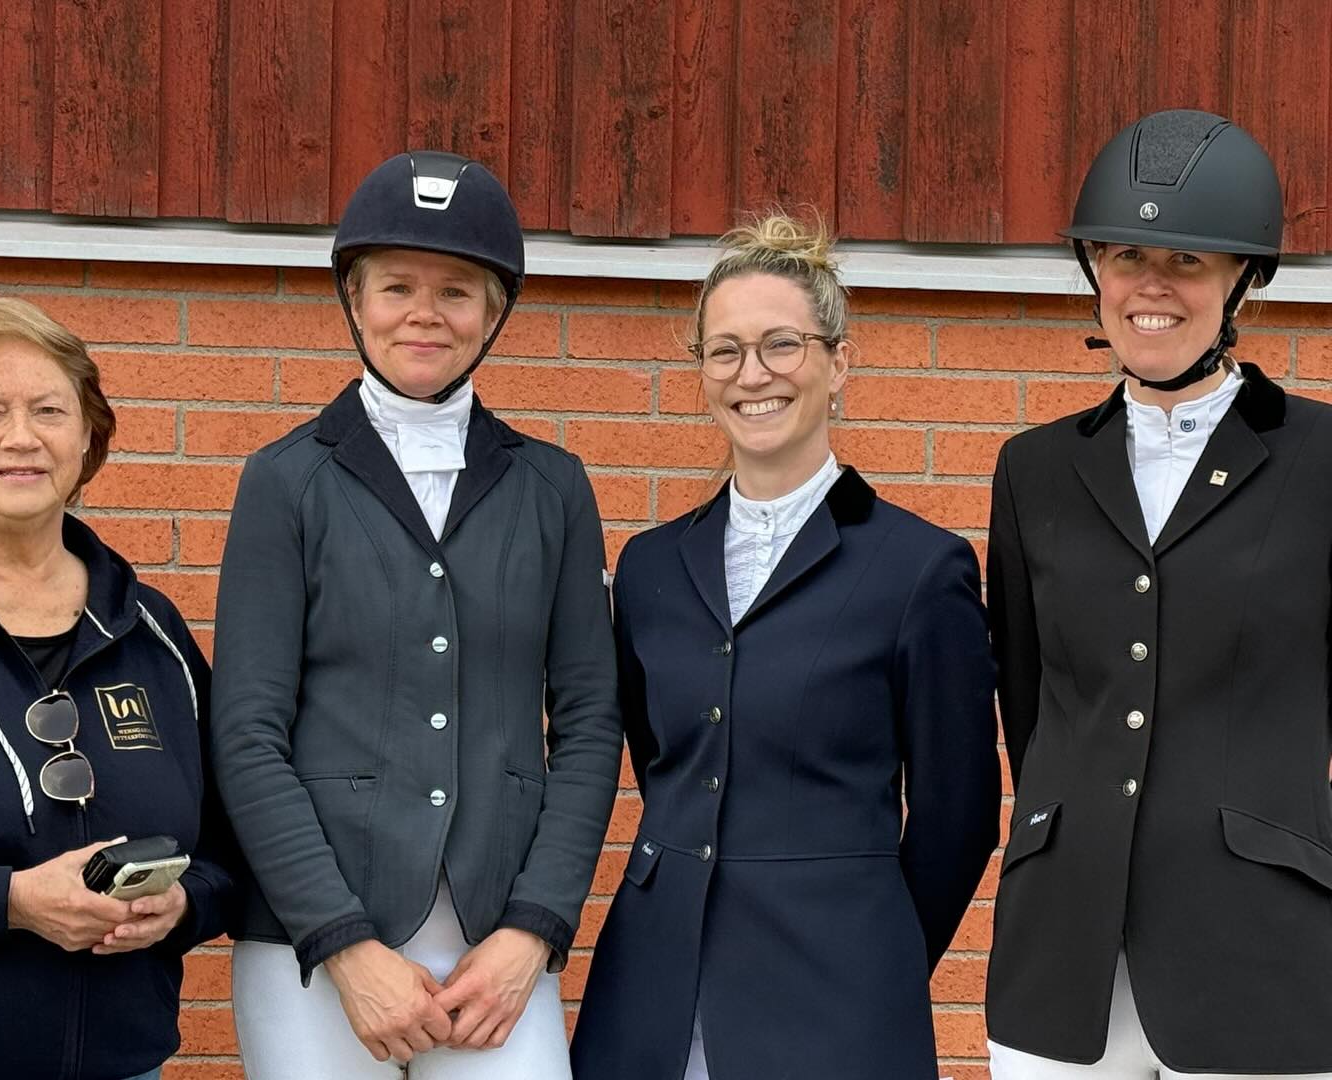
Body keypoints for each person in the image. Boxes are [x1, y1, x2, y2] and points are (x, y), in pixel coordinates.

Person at [211, 150, 622, 1079]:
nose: (425, 314)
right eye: (396, 286)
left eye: (457, 291)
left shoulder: (552, 486)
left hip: (497, 946)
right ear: (355, 302)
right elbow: (246, 732)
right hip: (316, 948)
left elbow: (592, 725)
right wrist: (342, 943)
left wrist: (534, 930)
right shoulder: (285, 481)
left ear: (495, 313)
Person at [569, 213, 1001, 1079]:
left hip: (837, 998)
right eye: (723, 351)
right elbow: (664, 768)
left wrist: (876, 958)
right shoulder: (650, 568)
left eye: (779, 345)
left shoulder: (920, 569)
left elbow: (958, 815)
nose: (751, 374)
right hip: (651, 991)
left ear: (838, 363)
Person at [985, 109, 1332, 1079]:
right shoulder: (1034, 470)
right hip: (1063, 960)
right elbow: (1032, 708)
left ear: (1242, 281)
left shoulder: (1322, 460)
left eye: (1187, 260)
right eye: (1129, 253)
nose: (1151, 285)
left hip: (1260, 953)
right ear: (1095, 269)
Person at [0, 298, 237, 1080]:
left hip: (125, 1063)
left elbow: (232, 839)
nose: (22, 437)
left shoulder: (149, 628)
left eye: (50, 410)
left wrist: (184, 906)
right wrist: (6, 900)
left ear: (86, 438)